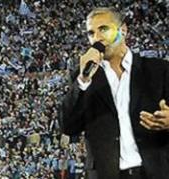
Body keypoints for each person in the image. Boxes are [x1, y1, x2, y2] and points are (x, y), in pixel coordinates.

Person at [59, 7, 169, 179]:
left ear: (123, 30)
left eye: (103, 29)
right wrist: (83, 80)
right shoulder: (82, 77)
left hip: (155, 171)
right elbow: (68, 126)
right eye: (91, 33)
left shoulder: (158, 70)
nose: (97, 38)